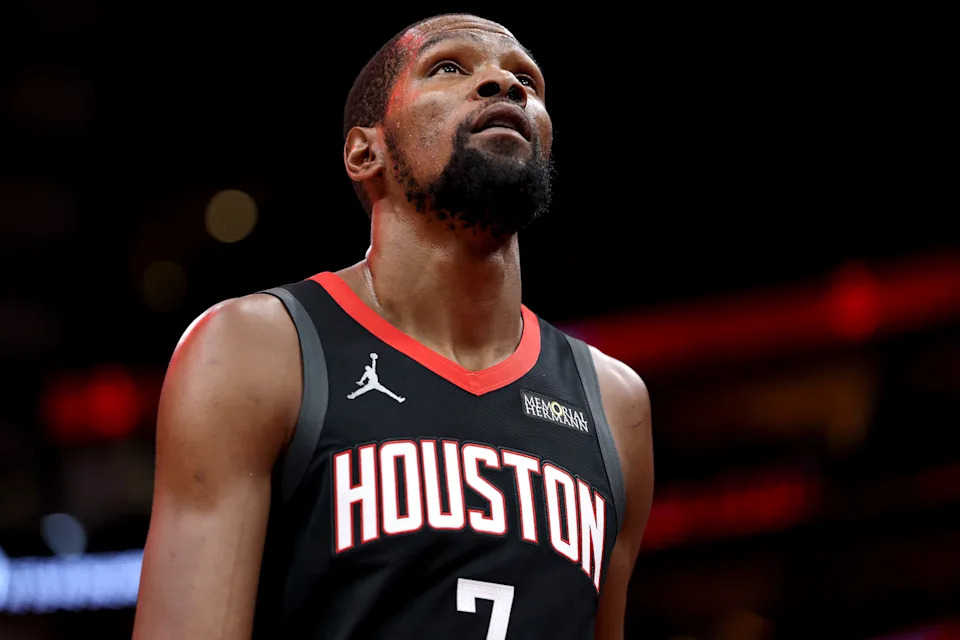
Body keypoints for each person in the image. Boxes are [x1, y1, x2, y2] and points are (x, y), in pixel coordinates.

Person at [132, 12, 653, 639]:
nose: (504, 85)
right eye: (450, 67)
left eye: (527, 82)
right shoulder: (256, 348)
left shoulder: (615, 403)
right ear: (364, 151)